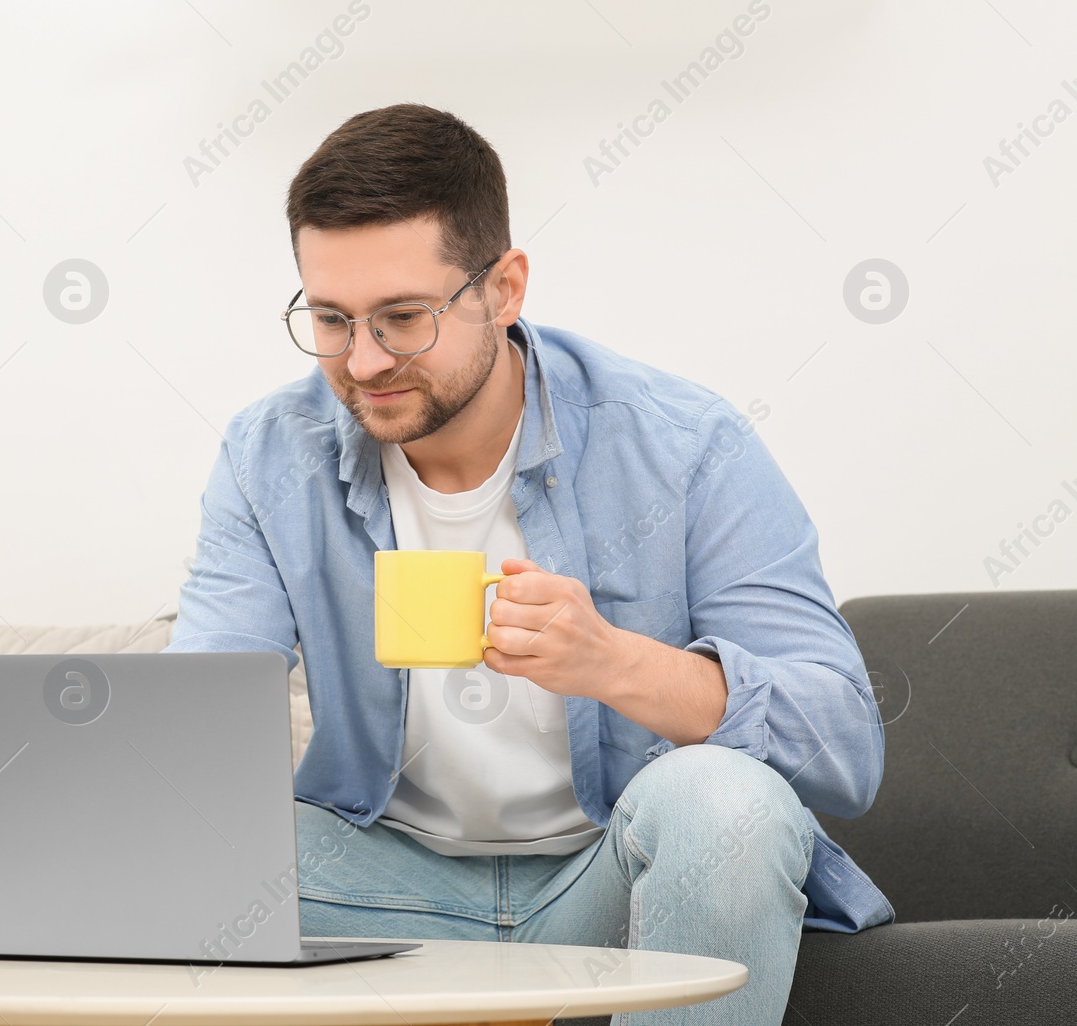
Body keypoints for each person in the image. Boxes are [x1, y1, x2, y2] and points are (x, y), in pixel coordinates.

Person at [163, 103, 894, 1026]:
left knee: (729, 803)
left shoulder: (686, 445)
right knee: (163, 859)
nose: (362, 360)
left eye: (401, 317)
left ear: (503, 288)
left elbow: (844, 747)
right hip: (380, 878)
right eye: (332, 319)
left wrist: (616, 662)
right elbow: (193, 711)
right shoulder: (271, 453)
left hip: (609, 878)